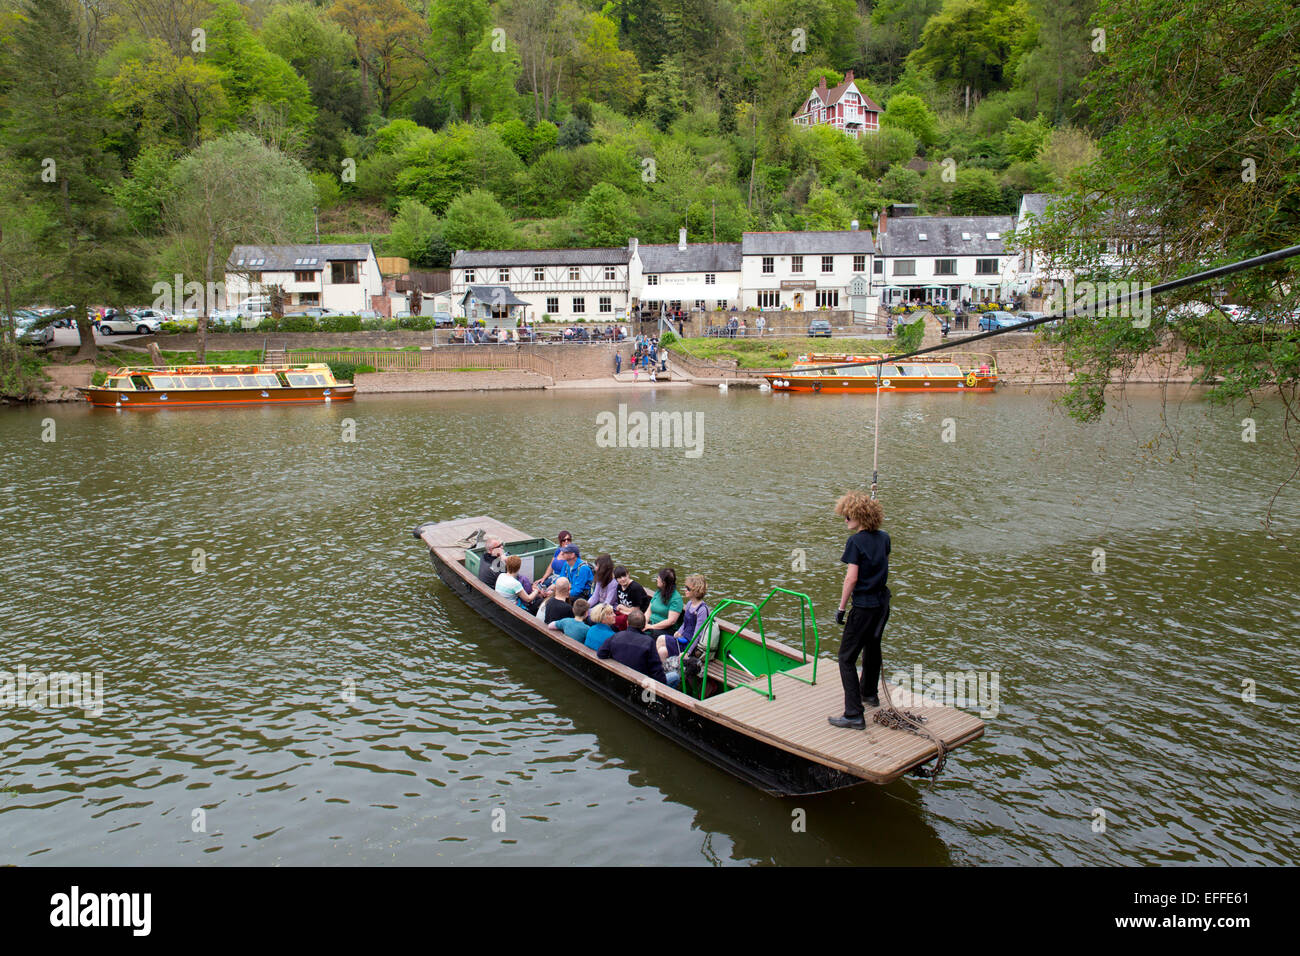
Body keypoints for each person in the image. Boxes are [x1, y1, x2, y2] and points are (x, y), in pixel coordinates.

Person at [827, 491, 891, 730]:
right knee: (873, 648)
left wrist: (842, 608)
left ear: (859, 516)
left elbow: (851, 578)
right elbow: (880, 562)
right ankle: (869, 693)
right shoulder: (884, 538)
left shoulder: (855, 542)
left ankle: (853, 713)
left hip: (863, 606)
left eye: (847, 517)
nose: (845, 521)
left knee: (846, 658)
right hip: (882, 603)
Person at [656, 574, 709, 681]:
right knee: (662, 651)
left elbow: (698, 634)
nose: (685, 590)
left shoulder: (702, 610)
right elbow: (685, 623)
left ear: (696, 591)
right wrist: (679, 631)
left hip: (690, 645)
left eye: (688, 588)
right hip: (682, 639)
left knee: (661, 638)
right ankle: (663, 676)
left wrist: (687, 652)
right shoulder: (689, 604)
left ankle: (659, 677)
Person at [597, 610, 666, 683]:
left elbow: (601, 653)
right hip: (640, 683)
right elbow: (657, 670)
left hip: (617, 679)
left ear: (627, 623)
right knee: (674, 676)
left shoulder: (617, 636)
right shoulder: (649, 642)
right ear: (644, 626)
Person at [644, 567, 683, 640]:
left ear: (664, 582)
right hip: (650, 624)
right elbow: (649, 611)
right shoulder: (658, 592)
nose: (657, 580)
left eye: (658, 578)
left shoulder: (676, 599)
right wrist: (643, 623)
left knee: (646, 637)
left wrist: (651, 627)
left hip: (664, 629)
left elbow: (671, 621)